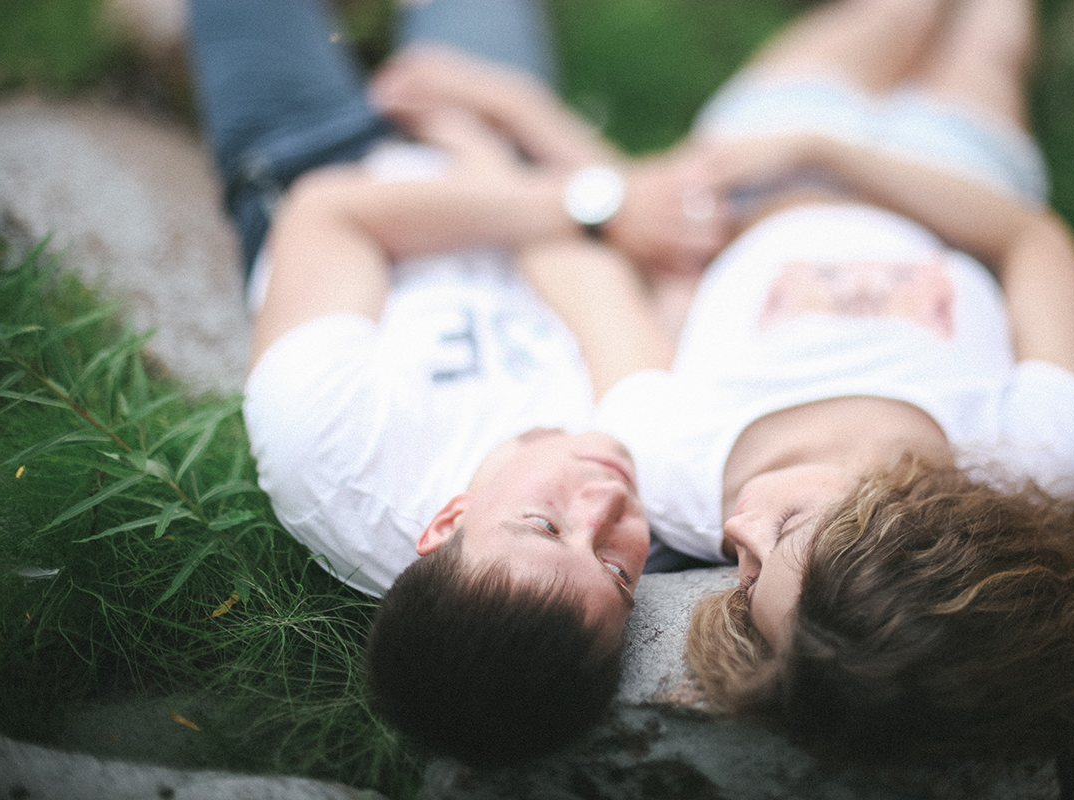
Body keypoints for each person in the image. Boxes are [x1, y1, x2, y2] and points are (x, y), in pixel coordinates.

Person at [590, 0, 1074, 779]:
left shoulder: (674, 472)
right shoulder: (1034, 456)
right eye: (785, 527)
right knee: (985, 37)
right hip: (959, 182)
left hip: (754, 180)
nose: (734, 532)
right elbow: (1030, 239)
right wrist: (832, 152)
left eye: (745, 581)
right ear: (919, 511)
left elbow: (622, 292)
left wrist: (764, 171)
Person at [185, 0, 725, 765]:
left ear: (445, 523)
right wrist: (488, 129)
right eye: (617, 571)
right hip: (511, 168)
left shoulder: (334, 456)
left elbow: (331, 214)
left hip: (325, 153)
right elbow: (596, 281)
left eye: (545, 525)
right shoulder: (653, 492)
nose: (608, 503)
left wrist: (577, 199)